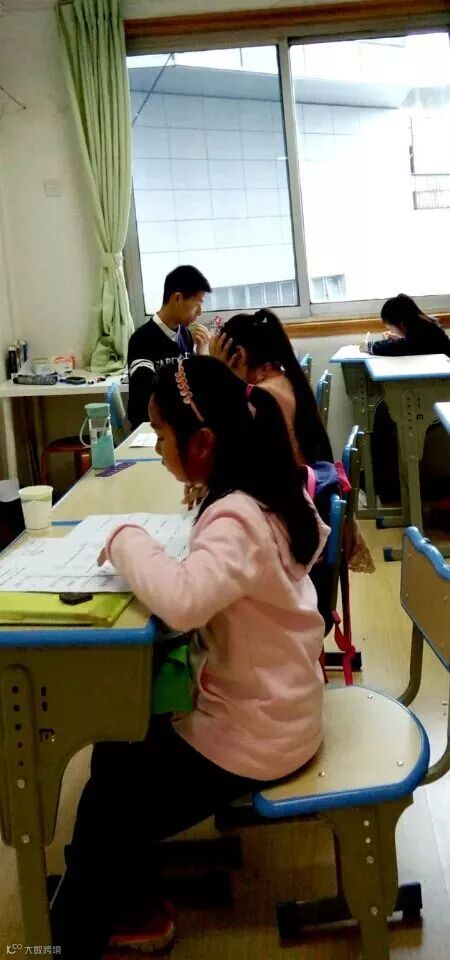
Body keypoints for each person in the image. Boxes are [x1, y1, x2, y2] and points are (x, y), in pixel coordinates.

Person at [51, 356, 329, 960]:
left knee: (108, 797)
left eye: (160, 435)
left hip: (259, 733)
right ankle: (126, 893)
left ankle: (83, 931)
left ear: (202, 443)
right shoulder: (265, 489)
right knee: (118, 742)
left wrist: (125, 539)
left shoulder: (236, 516)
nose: (156, 448)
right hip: (280, 705)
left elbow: (181, 603)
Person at [210, 308, 333, 465]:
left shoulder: (259, 396)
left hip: (286, 479)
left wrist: (220, 376)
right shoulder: (283, 378)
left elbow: (227, 452)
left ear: (240, 354)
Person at [127, 264, 212, 429]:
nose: (200, 312)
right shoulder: (141, 340)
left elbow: (192, 390)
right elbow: (143, 402)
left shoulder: (185, 335)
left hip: (178, 427)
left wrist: (201, 357)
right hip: (151, 428)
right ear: (178, 298)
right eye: (197, 304)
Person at [360, 293, 450, 357]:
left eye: (391, 328)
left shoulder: (421, 336)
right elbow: (412, 344)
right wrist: (400, 339)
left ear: (402, 324)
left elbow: (397, 347)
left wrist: (368, 346)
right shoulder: (429, 326)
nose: (391, 331)